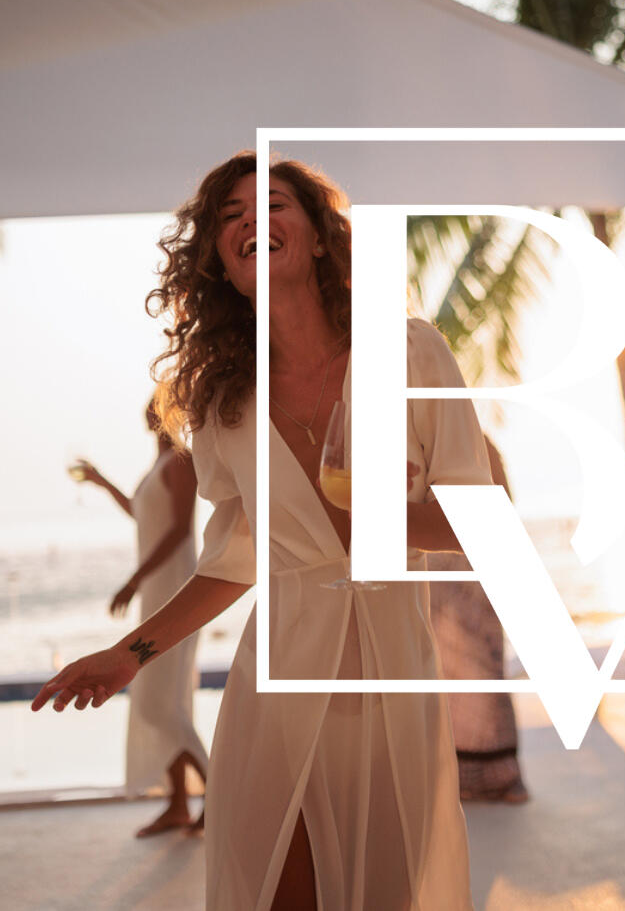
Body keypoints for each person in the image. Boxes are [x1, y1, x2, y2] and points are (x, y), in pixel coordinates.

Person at [34, 152, 491, 911]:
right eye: (230, 216)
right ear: (220, 259)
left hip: (391, 679)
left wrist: (382, 513)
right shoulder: (225, 404)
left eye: (273, 204)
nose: (251, 221)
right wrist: (128, 654)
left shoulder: (410, 352)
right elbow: (233, 561)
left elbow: (481, 527)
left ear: (319, 236)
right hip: (276, 683)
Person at [71, 399, 208, 836]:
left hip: (175, 590)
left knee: (160, 704)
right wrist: (100, 481)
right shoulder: (160, 464)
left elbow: (179, 530)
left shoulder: (182, 461)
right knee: (160, 701)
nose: (149, 411)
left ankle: (216, 793)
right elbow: (140, 512)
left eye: (157, 405)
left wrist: (133, 580)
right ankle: (179, 804)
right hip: (157, 589)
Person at [429, 438, 529, 804]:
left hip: (472, 573)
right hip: (435, 575)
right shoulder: (421, 442)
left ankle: (501, 775)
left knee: (484, 676)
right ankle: (452, 775)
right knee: (441, 678)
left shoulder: (477, 441)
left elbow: (503, 508)